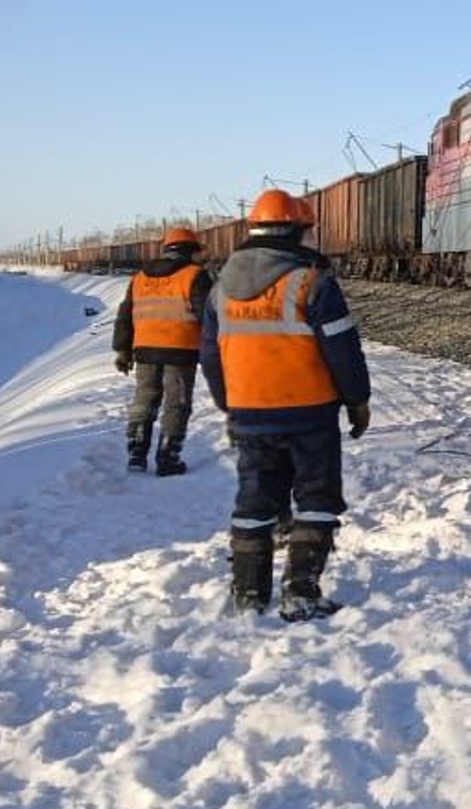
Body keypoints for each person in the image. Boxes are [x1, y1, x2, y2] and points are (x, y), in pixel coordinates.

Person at [200, 189, 373, 621]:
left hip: (249, 416)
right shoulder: (311, 282)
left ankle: (248, 596)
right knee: (316, 499)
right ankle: (301, 592)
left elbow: (208, 355)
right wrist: (357, 400)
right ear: (297, 230)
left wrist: (231, 405)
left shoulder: (220, 290)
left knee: (254, 503)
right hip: (310, 415)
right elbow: (342, 350)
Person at [112, 227, 213, 475]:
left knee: (144, 398)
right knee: (176, 404)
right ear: (190, 250)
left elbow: (125, 316)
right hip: (181, 350)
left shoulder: (140, 278)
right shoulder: (195, 276)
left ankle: (136, 453)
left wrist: (122, 350)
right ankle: (168, 456)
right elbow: (208, 317)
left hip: (145, 349)